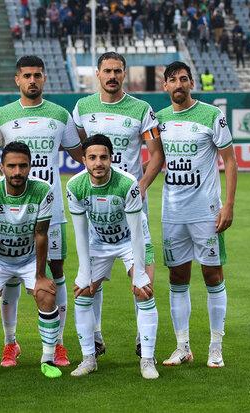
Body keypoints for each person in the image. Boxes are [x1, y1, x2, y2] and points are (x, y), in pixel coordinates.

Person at [0, 55, 83, 368]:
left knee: (55, 274)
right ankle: (10, 343)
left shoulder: (60, 114)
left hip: (51, 212)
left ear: (44, 78)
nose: (33, 80)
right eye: (27, 75)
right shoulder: (1, 116)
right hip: (11, 213)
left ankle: (58, 344)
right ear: (17, 79)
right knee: (10, 276)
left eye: (38, 75)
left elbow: (82, 156)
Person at [72, 52, 163, 359]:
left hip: (131, 207)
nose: (112, 76)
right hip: (97, 209)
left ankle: (143, 340)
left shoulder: (142, 109)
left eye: (117, 71)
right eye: (107, 71)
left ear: (124, 73)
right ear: (97, 73)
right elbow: (81, 148)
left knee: (142, 280)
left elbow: (157, 154)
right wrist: (93, 177)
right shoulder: (83, 107)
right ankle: (95, 337)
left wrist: (142, 185)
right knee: (90, 280)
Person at [157, 61, 237, 369]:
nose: (178, 84)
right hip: (173, 214)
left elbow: (230, 161)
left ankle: (216, 347)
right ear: (165, 86)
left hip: (206, 213)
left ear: (192, 83)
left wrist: (228, 205)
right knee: (177, 277)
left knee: (212, 275)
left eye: (183, 79)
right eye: (173, 80)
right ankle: (182, 347)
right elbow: (154, 159)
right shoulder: (160, 119)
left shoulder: (211, 115)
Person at [67, 134, 159, 380]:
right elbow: (80, 233)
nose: (98, 163)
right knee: (83, 293)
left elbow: (137, 232)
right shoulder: (75, 186)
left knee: (144, 291)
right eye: (92, 158)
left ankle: (147, 359)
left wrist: (139, 273)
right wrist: (84, 272)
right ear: (84, 160)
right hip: (99, 243)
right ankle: (89, 358)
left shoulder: (127, 183)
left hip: (132, 241)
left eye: (103, 157)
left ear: (111, 158)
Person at [0, 145, 62, 380]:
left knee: (46, 295)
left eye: (23, 166)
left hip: (30, 258)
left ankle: (48, 359)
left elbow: (41, 234)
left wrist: (40, 276)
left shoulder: (43, 190)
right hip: (0, 259)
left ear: (30, 166)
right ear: (2, 167)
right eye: (11, 166)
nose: (17, 171)